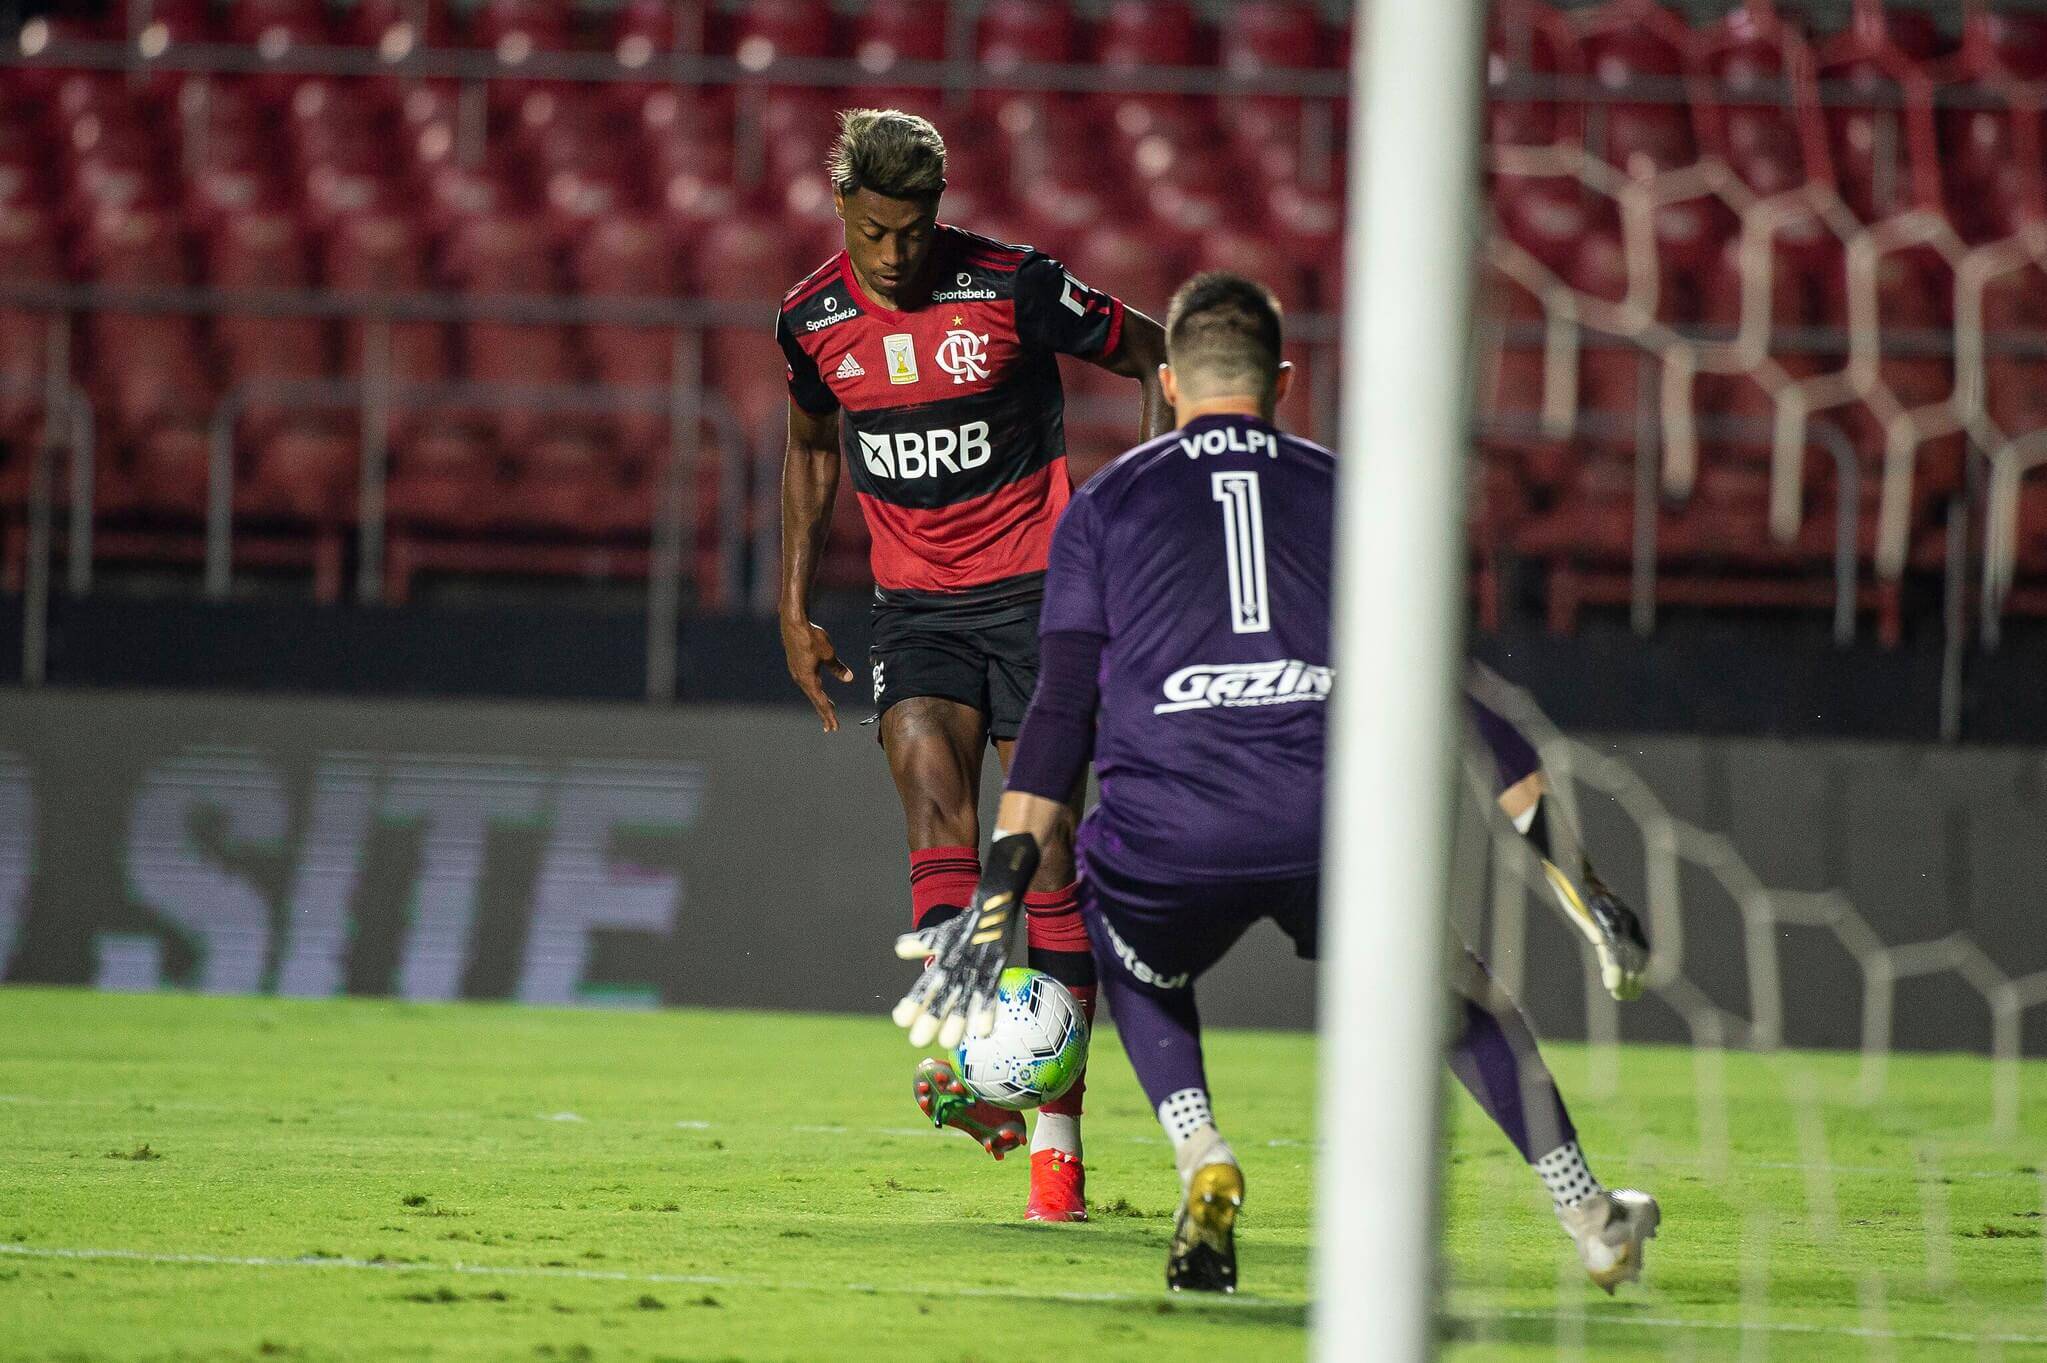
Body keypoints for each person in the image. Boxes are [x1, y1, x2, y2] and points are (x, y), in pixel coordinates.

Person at [892, 272, 1658, 1293]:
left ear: (1164, 382)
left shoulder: (1104, 505)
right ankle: (1591, 1217)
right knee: (1461, 1000)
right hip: (1330, 819)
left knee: (1136, 962)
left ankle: (1202, 1152)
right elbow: (1455, 697)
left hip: (1165, 825)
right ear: (1284, 381)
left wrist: (1001, 882)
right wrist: (1580, 877)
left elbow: (1061, 706)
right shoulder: (1362, 494)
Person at [775, 108, 1170, 1222]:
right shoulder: (809, 319)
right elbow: (809, 447)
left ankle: (1057, 1138)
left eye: (913, 230)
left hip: (1045, 601)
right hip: (916, 613)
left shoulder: (1013, 286)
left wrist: (1134, 523)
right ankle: (973, 1063)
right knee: (930, 797)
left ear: (938, 211)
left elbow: (1152, 353)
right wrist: (792, 600)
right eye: (873, 232)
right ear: (841, 209)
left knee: (1040, 860)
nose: (895, 254)